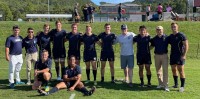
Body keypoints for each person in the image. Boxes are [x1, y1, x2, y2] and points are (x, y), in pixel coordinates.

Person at [168, 22, 189, 92]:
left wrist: (184, 55)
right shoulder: (170, 36)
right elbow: (163, 38)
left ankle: (182, 86)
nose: (173, 28)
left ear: (177, 27)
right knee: (173, 69)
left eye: (175, 26)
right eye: (172, 27)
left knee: (181, 70)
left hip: (180, 55)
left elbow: (186, 45)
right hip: (172, 55)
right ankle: (176, 84)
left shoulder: (181, 35)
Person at [150, 26, 169, 91]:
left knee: (165, 70)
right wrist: (145, 49)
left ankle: (166, 85)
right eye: (157, 30)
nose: (159, 31)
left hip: (164, 55)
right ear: (156, 31)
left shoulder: (167, 37)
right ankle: (160, 83)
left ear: (162, 30)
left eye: (160, 30)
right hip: (157, 56)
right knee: (158, 71)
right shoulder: (154, 38)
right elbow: (152, 46)